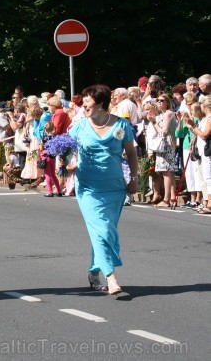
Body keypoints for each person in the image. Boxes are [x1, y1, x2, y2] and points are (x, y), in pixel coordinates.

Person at [69, 84, 138, 297]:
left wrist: (134, 178)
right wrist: (70, 163)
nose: (84, 104)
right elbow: (70, 153)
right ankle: (111, 277)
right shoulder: (79, 126)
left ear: (99, 103)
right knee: (101, 230)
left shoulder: (122, 125)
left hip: (114, 188)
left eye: (88, 100)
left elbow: (132, 154)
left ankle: (94, 271)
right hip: (88, 187)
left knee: (105, 231)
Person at [182, 97, 211, 214]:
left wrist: (194, 126)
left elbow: (204, 135)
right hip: (203, 152)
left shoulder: (210, 119)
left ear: (205, 107)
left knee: (209, 177)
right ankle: (206, 201)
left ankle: (210, 204)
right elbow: (199, 133)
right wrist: (191, 125)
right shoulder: (205, 119)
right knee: (205, 177)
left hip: (208, 151)